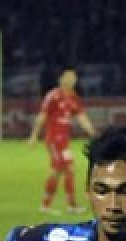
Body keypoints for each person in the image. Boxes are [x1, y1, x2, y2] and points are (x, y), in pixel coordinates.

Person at [28, 69, 96, 215]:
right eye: (68, 77)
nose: (71, 80)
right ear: (61, 79)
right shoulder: (53, 95)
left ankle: (70, 205)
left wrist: (93, 133)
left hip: (64, 141)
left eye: (73, 78)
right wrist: (34, 135)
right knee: (57, 170)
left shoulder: (73, 97)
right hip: (53, 139)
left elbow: (81, 117)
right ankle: (46, 205)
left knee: (69, 170)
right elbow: (42, 115)